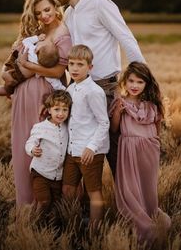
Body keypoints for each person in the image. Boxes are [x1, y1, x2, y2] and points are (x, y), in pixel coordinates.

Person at [44, 0, 145, 175]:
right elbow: (53, 42)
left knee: (116, 152)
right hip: (77, 88)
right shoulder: (69, 14)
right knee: (77, 146)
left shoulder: (100, 4)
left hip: (105, 88)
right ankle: (81, 205)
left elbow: (125, 37)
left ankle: (135, 205)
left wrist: (143, 78)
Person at [3, 0, 72, 206]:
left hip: (45, 97)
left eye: (47, 10)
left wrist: (30, 66)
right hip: (24, 95)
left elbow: (59, 72)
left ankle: (46, 205)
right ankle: (26, 204)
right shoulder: (36, 33)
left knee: (47, 148)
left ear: (56, 7)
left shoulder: (63, 34)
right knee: (23, 145)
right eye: (39, 13)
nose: (43, 16)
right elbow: (16, 59)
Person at [109, 62, 171, 243]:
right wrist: (118, 114)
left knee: (147, 186)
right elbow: (114, 129)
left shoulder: (151, 103)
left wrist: (155, 142)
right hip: (128, 147)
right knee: (130, 187)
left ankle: (151, 214)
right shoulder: (120, 102)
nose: (135, 86)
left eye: (140, 82)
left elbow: (157, 124)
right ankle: (140, 223)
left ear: (147, 84)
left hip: (149, 148)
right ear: (125, 82)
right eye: (131, 81)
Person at [63, 44, 110, 229]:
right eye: (71, 63)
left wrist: (92, 147)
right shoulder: (70, 89)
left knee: (93, 191)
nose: (74, 68)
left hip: (90, 151)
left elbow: (104, 122)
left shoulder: (94, 91)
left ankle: (95, 229)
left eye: (80, 64)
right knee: (68, 190)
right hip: (72, 150)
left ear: (90, 67)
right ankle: (71, 224)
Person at [25, 90, 72, 213]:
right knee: (44, 201)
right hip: (40, 173)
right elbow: (30, 142)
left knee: (55, 205)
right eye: (57, 109)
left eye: (65, 110)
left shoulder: (67, 127)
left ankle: (50, 228)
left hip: (57, 176)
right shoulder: (40, 127)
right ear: (49, 110)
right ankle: (35, 225)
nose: (61, 114)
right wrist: (32, 149)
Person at [0, 33, 65, 99]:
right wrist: (63, 89)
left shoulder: (32, 50)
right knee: (6, 90)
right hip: (17, 76)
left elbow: (26, 41)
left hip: (13, 66)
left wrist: (37, 38)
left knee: (8, 86)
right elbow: (55, 83)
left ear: (38, 49)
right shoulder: (42, 68)